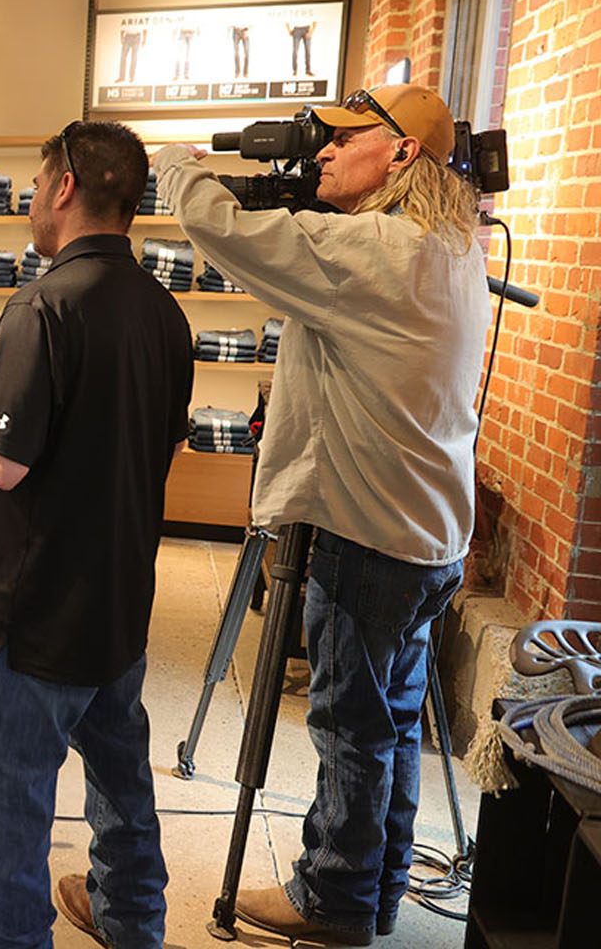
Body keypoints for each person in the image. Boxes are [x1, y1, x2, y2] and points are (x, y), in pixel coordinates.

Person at [153, 84, 490, 945]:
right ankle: (375, 891)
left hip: (367, 535)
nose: (325, 153)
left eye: (346, 139)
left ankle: (332, 897)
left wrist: (177, 166)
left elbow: (228, 231)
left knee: (349, 727)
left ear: (404, 153)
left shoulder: (372, 250)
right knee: (391, 725)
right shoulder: (454, 248)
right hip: (429, 537)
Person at [0, 121, 194, 949]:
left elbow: (1, 463)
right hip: (120, 599)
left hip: (35, 612)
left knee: (12, 799)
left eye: (37, 183)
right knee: (122, 779)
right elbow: (171, 444)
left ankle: (4, 940)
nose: (32, 199)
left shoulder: (43, 304)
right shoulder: (163, 309)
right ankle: (133, 921)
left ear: (66, 185)